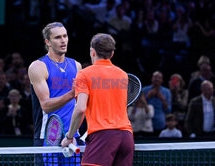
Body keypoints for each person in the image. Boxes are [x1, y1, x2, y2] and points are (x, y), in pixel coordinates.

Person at [61, 33, 134, 166]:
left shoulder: (84, 74)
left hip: (103, 137)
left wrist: (69, 137)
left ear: (92, 52)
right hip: (127, 138)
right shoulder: (123, 75)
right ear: (112, 54)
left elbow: (81, 108)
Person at [28, 22, 82, 165]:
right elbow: (46, 105)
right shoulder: (38, 66)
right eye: (58, 37)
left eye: (65, 36)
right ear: (48, 42)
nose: (63, 40)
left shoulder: (76, 65)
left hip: (72, 138)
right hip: (47, 137)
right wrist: (72, 93)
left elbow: (81, 104)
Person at [143, 71, 172, 136]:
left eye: (159, 77)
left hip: (160, 123)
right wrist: (147, 97)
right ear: (151, 78)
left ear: (162, 80)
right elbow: (138, 107)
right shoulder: (144, 90)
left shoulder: (167, 92)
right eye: (155, 77)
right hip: (146, 123)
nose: (157, 79)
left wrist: (162, 99)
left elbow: (168, 110)